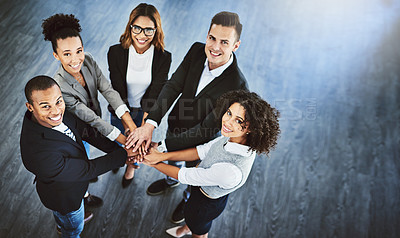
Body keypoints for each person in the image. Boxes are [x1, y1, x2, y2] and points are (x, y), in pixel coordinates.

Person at [126, 11, 248, 223]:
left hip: (201, 143)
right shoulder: (196, 51)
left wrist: (161, 147)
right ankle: (170, 179)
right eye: (212, 38)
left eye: (224, 42)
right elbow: (174, 85)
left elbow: (205, 129)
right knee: (172, 157)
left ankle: (187, 197)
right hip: (176, 123)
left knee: (195, 175)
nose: (215, 47)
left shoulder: (237, 85)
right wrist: (150, 124)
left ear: (235, 46)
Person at [143, 90, 281, 237]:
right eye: (229, 113)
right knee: (195, 221)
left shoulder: (231, 171)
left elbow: (187, 176)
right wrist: (161, 156)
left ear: (252, 128)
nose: (227, 122)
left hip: (205, 205)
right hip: (202, 190)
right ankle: (187, 229)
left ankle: (192, 229)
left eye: (238, 121)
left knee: (199, 227)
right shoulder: (234, 138)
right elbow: (201, 151)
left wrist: (152, 162)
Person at [20, 76, 137, 237]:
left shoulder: (59, 112)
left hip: (74, 180)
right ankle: (66, 227)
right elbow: (87, 170)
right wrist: (124, 155)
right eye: (45, 106)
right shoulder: (38, 154)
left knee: (68, 219)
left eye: (58, 101)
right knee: (74, 229)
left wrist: (117, 150)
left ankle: (65, 221)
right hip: (65, 198)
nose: (56, 111)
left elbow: (86, 131)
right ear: (30, 106)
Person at [41, 13, 138, 203]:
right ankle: (84, 196)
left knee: (91, 152)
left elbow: (107, 89)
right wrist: (125, 141)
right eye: (67, 54)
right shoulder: (59, 86)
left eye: (79, 50)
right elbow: (91, 119)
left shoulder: (89, 60)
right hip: (77, 130)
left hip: (93, 121)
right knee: (81, 159)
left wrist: (129, 122)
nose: (76, 59)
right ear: (56, 55)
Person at [108, 3, 171, 188]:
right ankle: (119, 159)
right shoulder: (115, 52)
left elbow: (155, 92)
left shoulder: (163, 57)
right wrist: (128, 125)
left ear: (156, 30)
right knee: (119, 139)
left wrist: (142, 128)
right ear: (130, 27)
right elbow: (117, 89)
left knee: (139, 144)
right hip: (120, 109)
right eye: (137, 28)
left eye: (148, 30)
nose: (142, 35)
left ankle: (131, 168)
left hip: (146, 112)